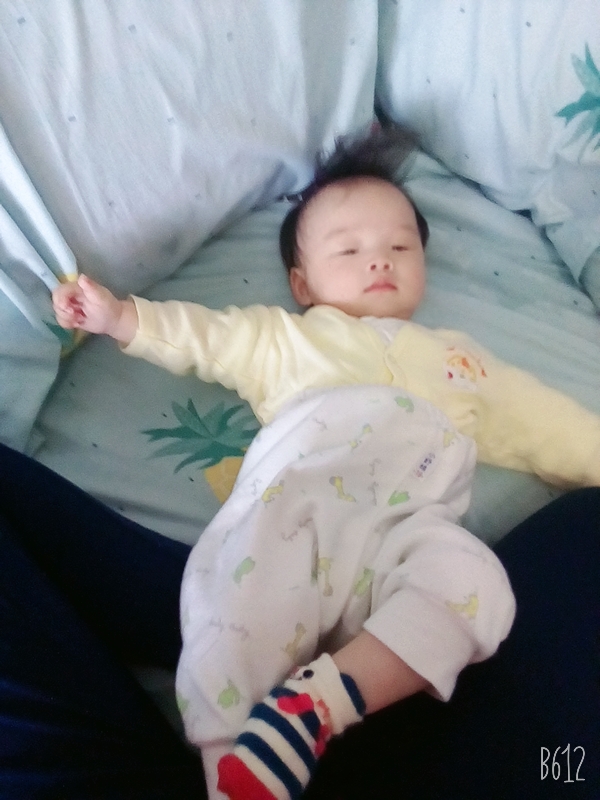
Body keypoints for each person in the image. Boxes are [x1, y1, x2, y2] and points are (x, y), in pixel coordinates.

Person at [51, 126, 600, 800]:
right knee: (234, 613)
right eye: (349, 249)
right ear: (301, 282)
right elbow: (206, 338)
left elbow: (547, 423)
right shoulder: (287, 341)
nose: (379, 261)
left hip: (407, 530)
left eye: (400, 246)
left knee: (477, 583)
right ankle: (232, 768)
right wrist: (119, 316)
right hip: (300, 513)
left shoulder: (461, 361)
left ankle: (321, 703)